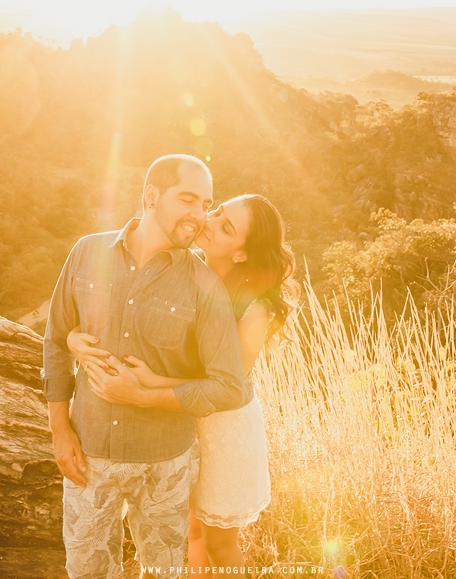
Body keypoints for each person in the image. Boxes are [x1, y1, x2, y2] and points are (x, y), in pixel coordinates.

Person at [41, 154, 247, 579]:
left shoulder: (205, 286)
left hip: (166, 465)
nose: (199, 214)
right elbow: (57, 342)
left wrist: (142, 395)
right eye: (187, 199)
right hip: (90, 455)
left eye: (206, 203)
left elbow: (228, 387)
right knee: (88, 572)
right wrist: (60, 432)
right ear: (152, 196)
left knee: (162, 573)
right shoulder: (86, 252)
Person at [71, 193, 297, 573]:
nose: (209, 220)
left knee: (220, 543)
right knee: (188, 532)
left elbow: (228, 386)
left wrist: (151, 384)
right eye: (219, 210)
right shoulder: (185, 269)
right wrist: (73, 339)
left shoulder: (254, 307)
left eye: (226, 227)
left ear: (241, 253)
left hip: (224, 426)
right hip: (177, 420)